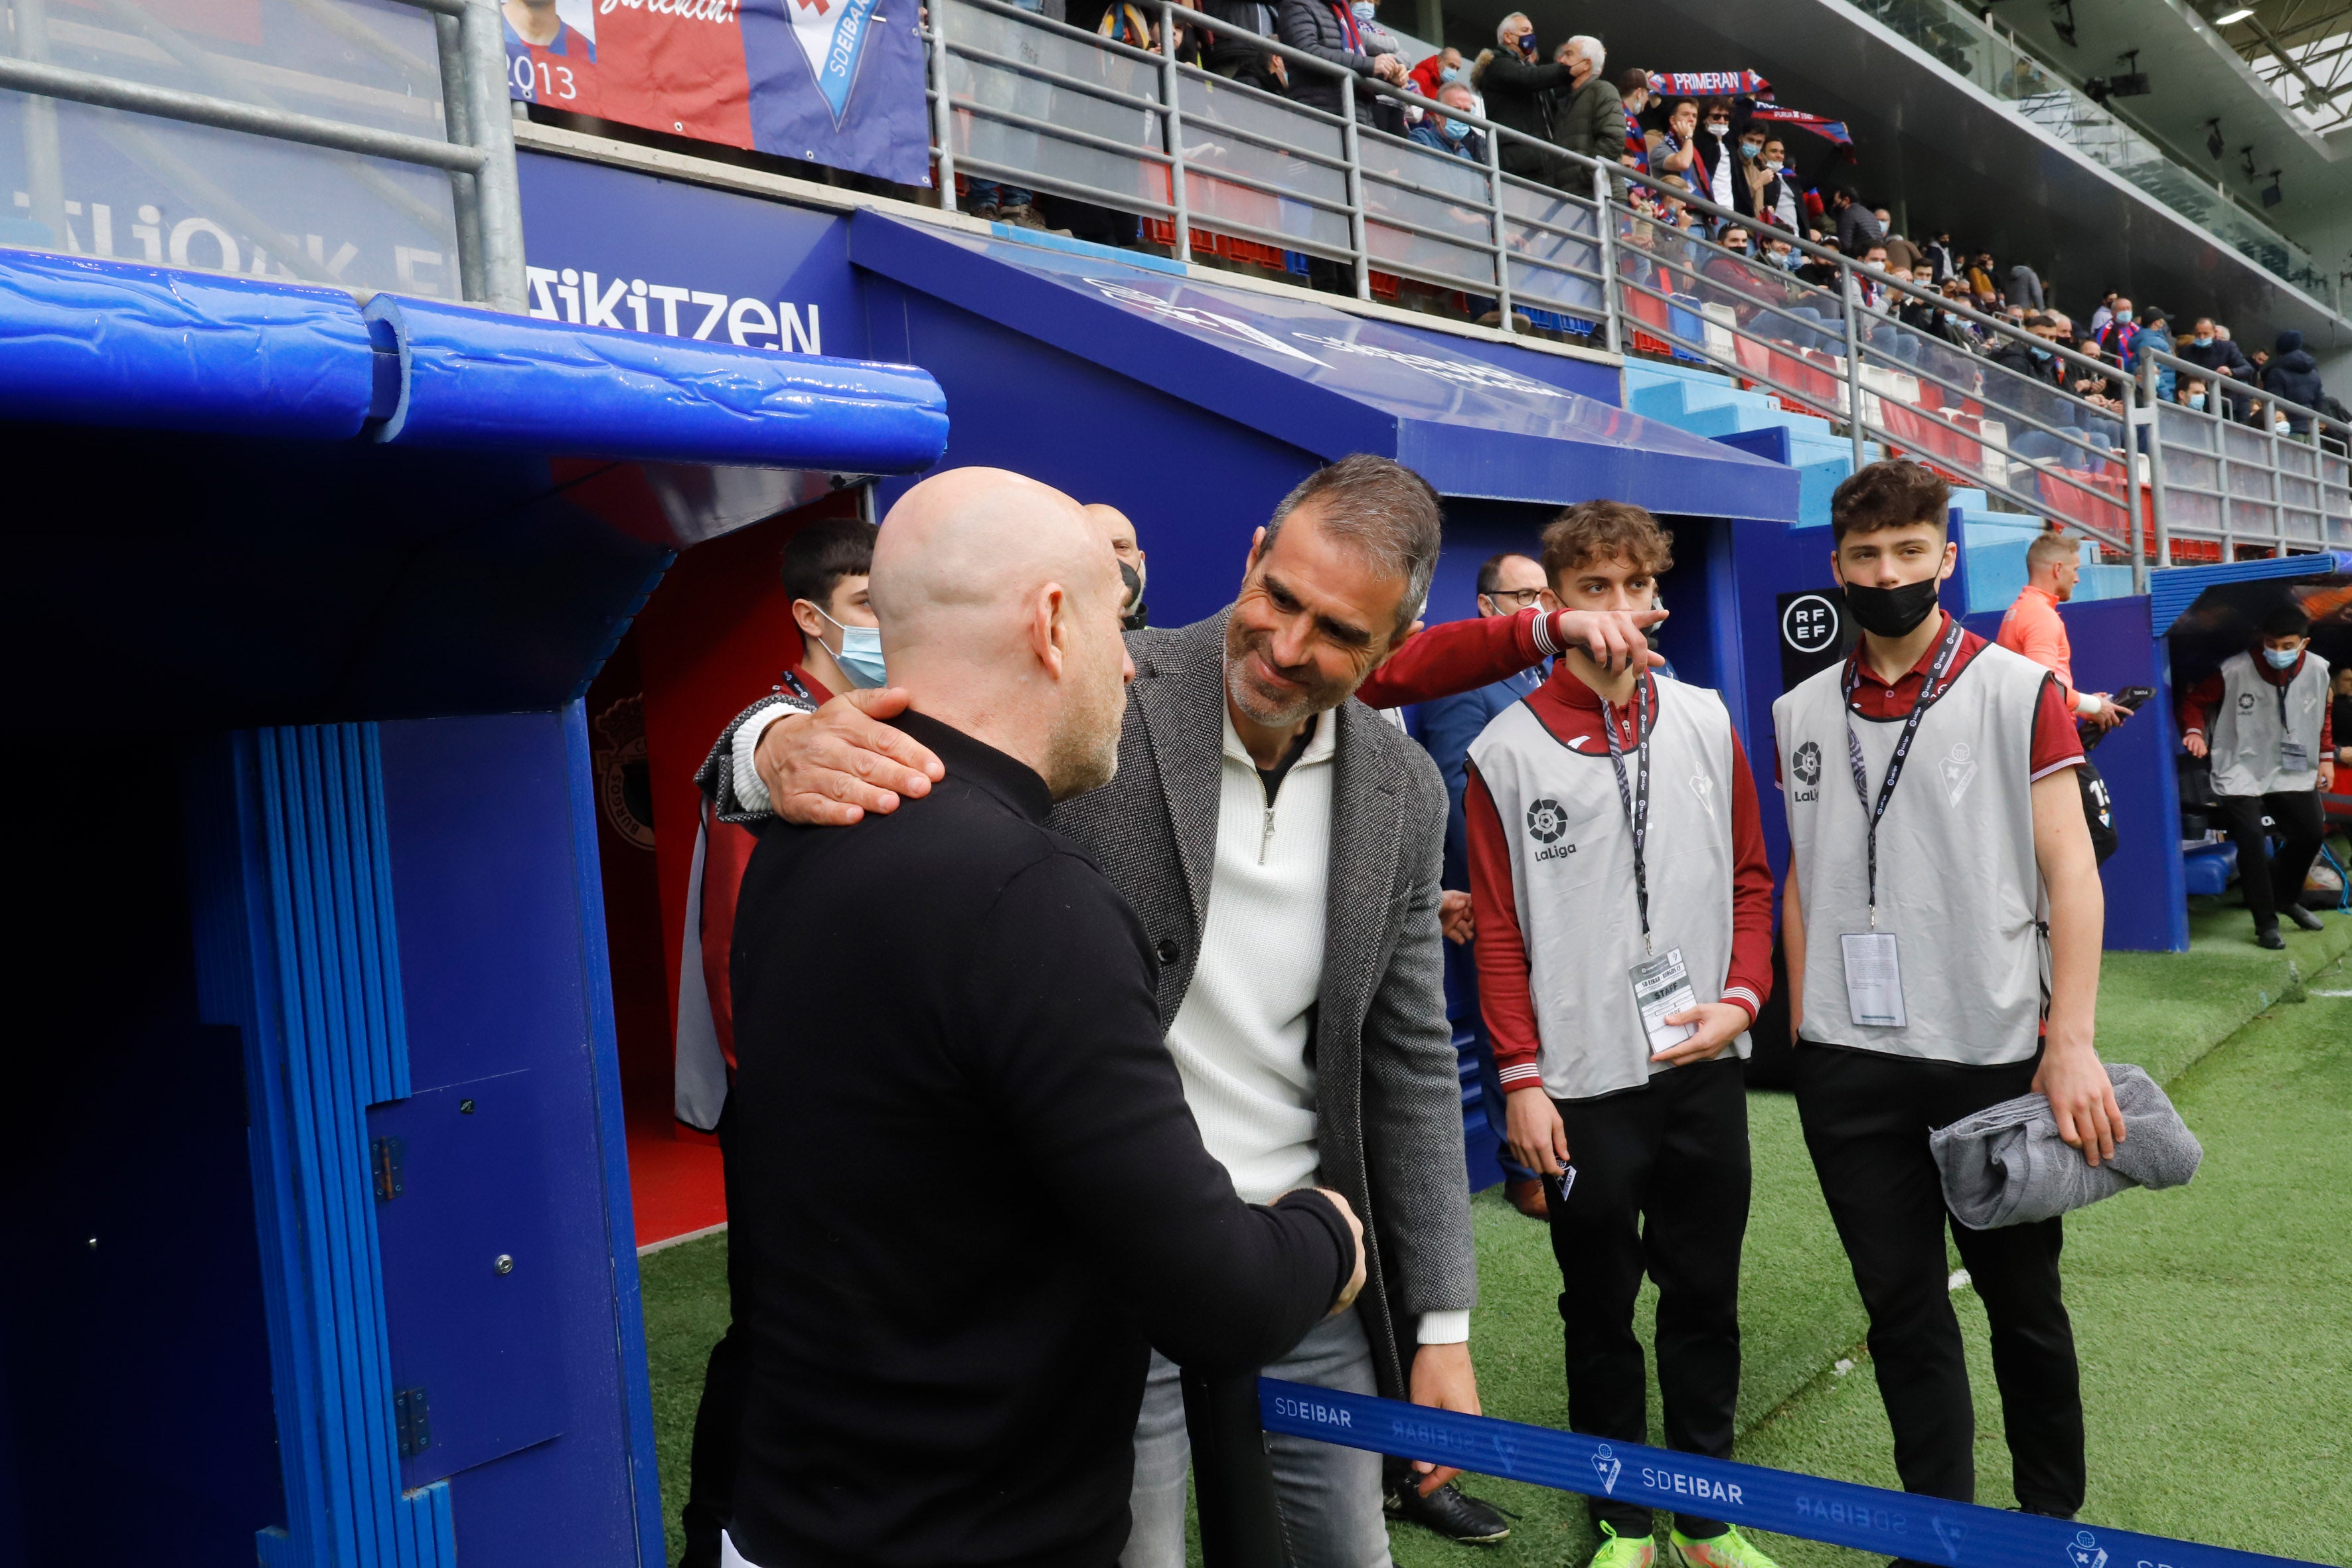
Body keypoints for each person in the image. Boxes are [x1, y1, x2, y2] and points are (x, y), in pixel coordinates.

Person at [718, 455, 1611, 1563]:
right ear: (1250, 557)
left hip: (1300, 1255)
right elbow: (900, 755)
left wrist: (1437, 1326)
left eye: (1338, 632)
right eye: (1278, 598)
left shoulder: (1398, 784)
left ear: (1396, 646)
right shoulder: (1089, 686)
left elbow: (1411, 1062)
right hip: (1103, 1262)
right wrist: (768, 746)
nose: (1288, 648)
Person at [1776, 459, 2122, 1551]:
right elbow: (1802, 869)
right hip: (1847, 1062)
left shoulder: (2017, 691)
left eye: (1908, 552)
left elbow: (2072, 871)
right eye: (1866, 556)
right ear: (1835, 566)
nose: (1886, 573)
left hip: (1990, 1053)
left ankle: (2046, 1523)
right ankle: (1938, 1535)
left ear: (1945, 557)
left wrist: (2067, 1039)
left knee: (2023, 1309)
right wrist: (1801, 1027)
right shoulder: (1796, 709)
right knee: (1902, 1316)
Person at [1469, 503, 1777, 1568]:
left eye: (1628, 587)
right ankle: (1620, 1520)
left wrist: (1740, 998)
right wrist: (1519, 1077)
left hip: (1700, 1062)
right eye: (1586, 589)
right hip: (1578, 1082)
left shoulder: (1702, 716)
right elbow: (1497, 931)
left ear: (1655, 598)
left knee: (1704, 1295)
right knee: (1596, 1306)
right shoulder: (1501, 750)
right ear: (1552, 608)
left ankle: (1702, 1514)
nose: (1611, 610)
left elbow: (1749, 878)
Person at [673, 515, 881, 1567]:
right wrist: (781, 1102)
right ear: (810, 617)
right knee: (773, 1329)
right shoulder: (771, 739)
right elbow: (733, 956)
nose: (888, 625)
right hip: (789, 1108)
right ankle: (716, 1530)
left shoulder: (887, 717)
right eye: (865, 609)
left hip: (872, 1108)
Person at [1417, 552, 1559, 1223]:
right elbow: (1456, 789)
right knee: (1511, 1026)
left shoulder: (1554, 669)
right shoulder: (1467, 680)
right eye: (1522, 593)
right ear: (1486, 605)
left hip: (1560, 886)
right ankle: (1522, 1168)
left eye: (1544, 594)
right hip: (1493, 896)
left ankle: (1566, 1147)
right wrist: (1482, 889)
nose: (1537, 605)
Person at [2177, 600, 2336, 947]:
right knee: (2250, 837)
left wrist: (2326, 757)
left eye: (2287, 646)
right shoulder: (2234, 669)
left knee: (2310, 834)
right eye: (2271, 645)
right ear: (2262, 640)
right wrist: (2193, 732)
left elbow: (2323, 713)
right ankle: (2266, 924)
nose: (2277, 652)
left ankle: (2285, 898)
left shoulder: (2319, 669)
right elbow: (2194, 701)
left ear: (2303, 644)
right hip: (2239, 765)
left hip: (2288, 766)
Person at [1997, 532, 2131, 861]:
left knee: (2066, 846)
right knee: (2097, 840)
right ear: (2057, 568)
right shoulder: (2040, 616)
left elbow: (2042, 687)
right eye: (2075, 568)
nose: (2078, 576)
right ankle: (2055, 913)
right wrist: (2092, 705)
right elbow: (2043, 687)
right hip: (2050, 747)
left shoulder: (2022, 610)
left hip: (2037, 744)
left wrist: (2084, 705)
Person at [1477, 13, 1579, 188]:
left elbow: (1553, 93)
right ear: (1508, 37)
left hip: (1540, 161)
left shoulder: (1528, 68)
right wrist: (1568, 71)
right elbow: (1529, 78)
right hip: (1516, 162)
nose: (1531, 36)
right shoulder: (1497, 64)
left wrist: (1584, 70)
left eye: (1532, 31)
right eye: (1525, 30)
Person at [1279, 0, 1405, 125]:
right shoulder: (1298, 3)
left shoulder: (1343, 12)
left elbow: (1353, 66)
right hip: (1320, 118)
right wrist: (1369, 64)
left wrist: (1388, 75)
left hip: (1359, 121)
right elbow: (1306, 52)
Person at [1552, 36, 1623, 161]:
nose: (1562, 60)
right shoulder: (1564, 97)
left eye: (1569, 55)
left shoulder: (1603, 91)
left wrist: (1587, 176)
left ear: (1586, 64)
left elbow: (1613, 140)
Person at [1086, 502, 1150, 629]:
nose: (1111, 560)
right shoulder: (1040, 648)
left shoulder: (1174, 647)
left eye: (1122, 547)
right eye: (1093, 547)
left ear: (1141, 560)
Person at [1409, 81, 1488, 163]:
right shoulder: (1422, 138)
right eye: (1456, 109)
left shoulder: (1465, 154)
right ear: (1438, 114)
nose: (1462, 116)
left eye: (1467, 111)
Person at [2262, 330, 2323, 434]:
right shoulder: (2313, 372)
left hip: (2288, 430)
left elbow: (2275, 403)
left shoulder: (2276, 372)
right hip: (2311, 430)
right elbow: (2320, 400)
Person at [1618, 68, 1652, 170]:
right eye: (1647, 94)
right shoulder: (1621, 117)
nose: (1647, 99)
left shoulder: (1617, 112)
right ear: (1639, 93)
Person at [1830, 189, 1881, 258]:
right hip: (1875, 255)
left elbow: (1845, 245)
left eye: (1836, 202)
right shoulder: (1870, 214)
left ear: (1846, 200)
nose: (1834, 205)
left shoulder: (1847, 215)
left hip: (1859, 258)